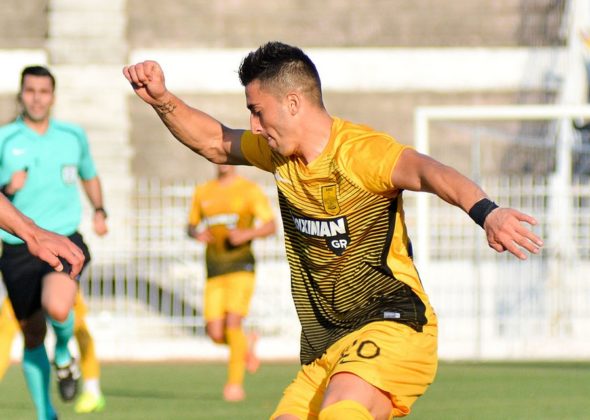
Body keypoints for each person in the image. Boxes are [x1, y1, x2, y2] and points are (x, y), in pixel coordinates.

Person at [123, 42, 543, 419]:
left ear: (292, 103)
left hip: (393, 323)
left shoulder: (360, 153)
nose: (254, 125)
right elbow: (215, 143)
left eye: (257, 111)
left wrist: (487, 212)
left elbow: (428, 171)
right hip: (325, 346)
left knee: (341, 411)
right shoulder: (279, 156)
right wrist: (162, 100)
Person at [0, 65, 108, 419]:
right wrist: (8, 187)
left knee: (59, 307)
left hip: (62, 237)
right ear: (21, 95)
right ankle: (46, 413)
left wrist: (99, 209)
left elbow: (89, 175)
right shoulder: (4, 138)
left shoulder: (72, 136)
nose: (37, 98)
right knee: (32, 335)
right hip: (17, 247)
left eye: (43, 91)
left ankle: (63, 352)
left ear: (53, 96)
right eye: (30, 91)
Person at [187, 163, 276, 402]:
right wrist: (196, 233)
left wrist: (248, 234)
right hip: (214, 269)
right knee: (215, 333)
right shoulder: (203, 191)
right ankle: (246, 345)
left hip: (241, 267)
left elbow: (270, 225)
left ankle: (234, 385)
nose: (223, 162)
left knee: (233, 324)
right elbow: (190, 226)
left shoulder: (249, 190)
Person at [0, 292, 106, 414]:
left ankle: (91, 388)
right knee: (6, 331)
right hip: (25, 285)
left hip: (59, 285)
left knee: (77, 327)